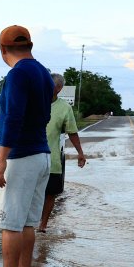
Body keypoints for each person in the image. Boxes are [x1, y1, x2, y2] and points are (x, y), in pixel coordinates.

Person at [0, 25, 54, 267]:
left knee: (10, 222)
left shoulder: (17, 74)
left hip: (20, 157)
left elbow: (15, 118)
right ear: (30, 46)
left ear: (3, 50)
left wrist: (1, 160)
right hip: (42, 154)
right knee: (27, 222)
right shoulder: (43, 73)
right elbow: (36, 114)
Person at [39, 73, 86, 233]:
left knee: (50, 194)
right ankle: (28, 223)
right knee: (30, 193)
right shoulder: (33, 102)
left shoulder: (64, 108)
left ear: (58, 89)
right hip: (31, 157)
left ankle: (43, 226)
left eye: (49, 85)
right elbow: (11, 116)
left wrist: (80, 152)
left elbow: (72, 132)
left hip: (52, 159)